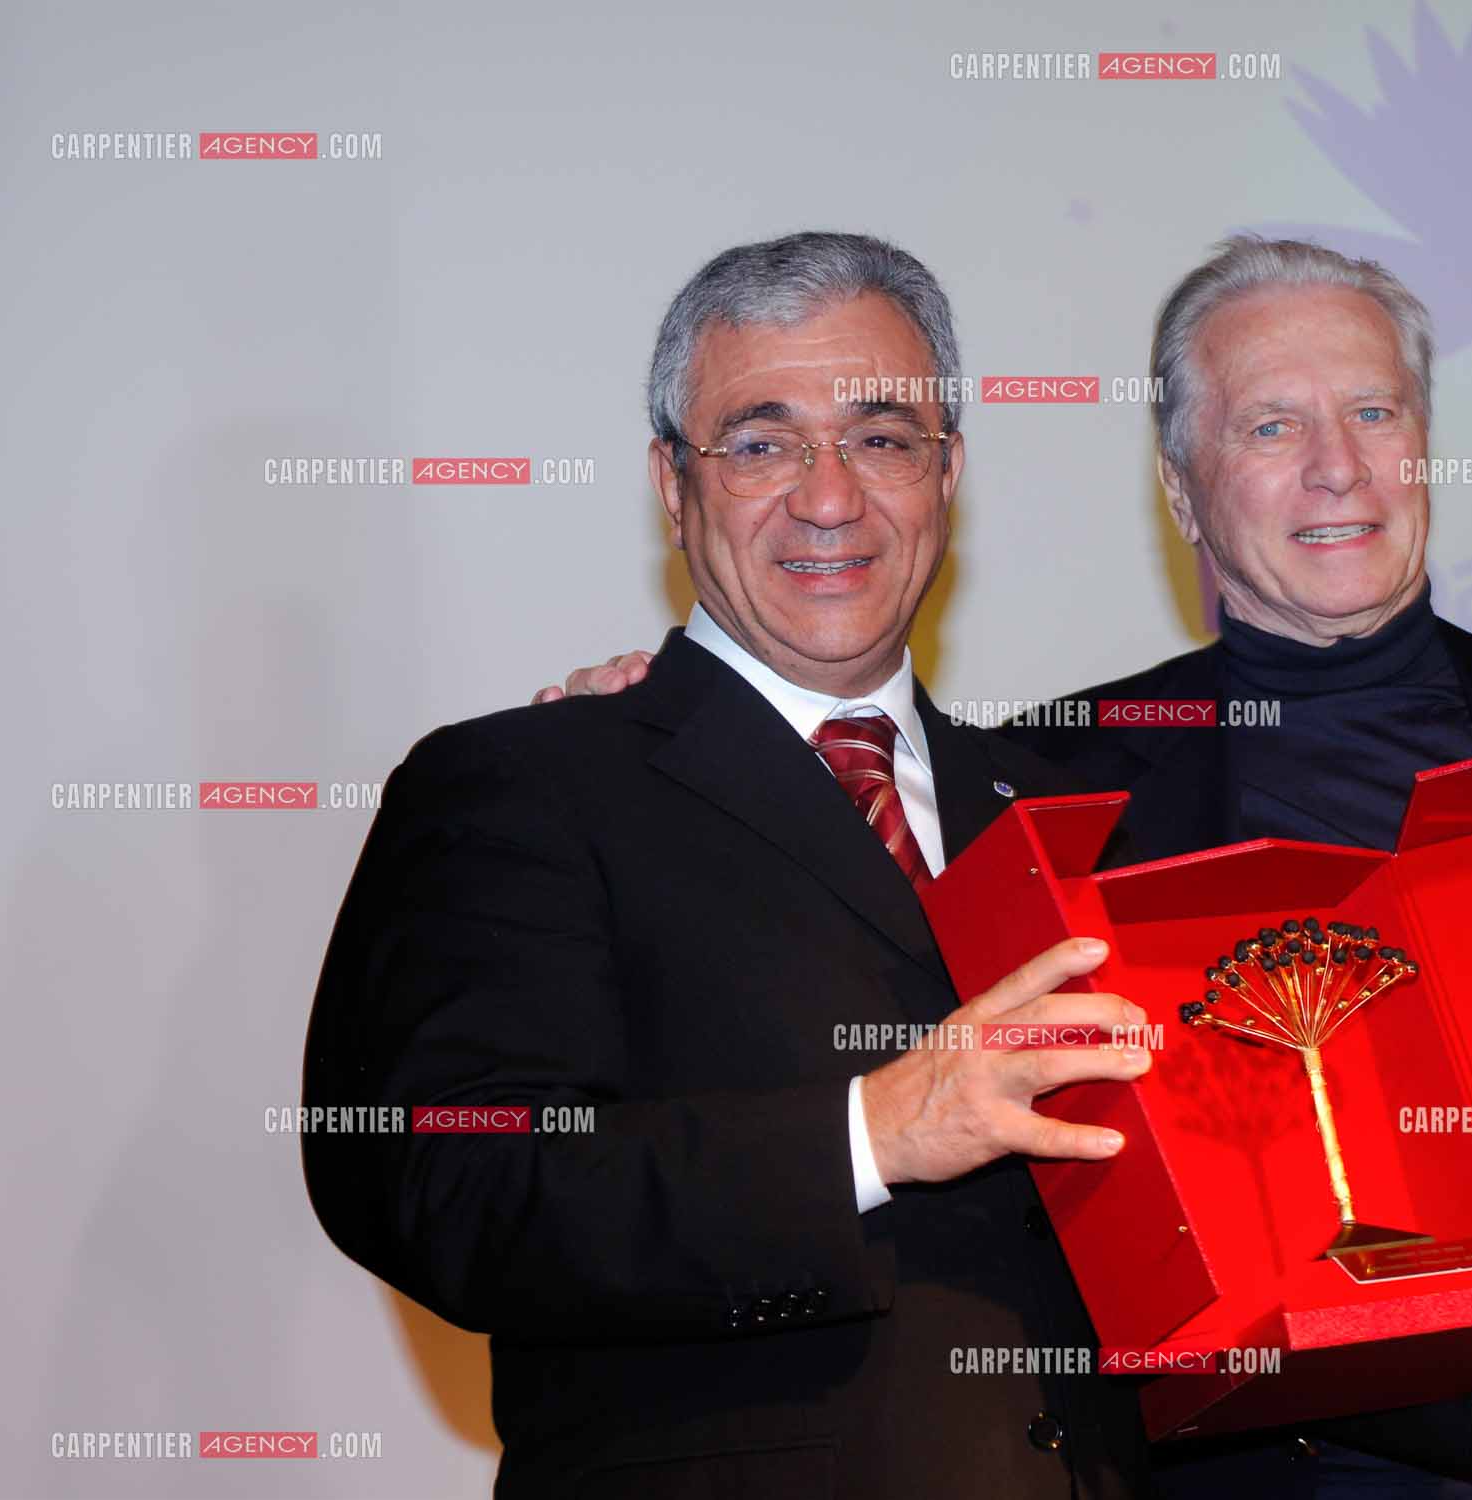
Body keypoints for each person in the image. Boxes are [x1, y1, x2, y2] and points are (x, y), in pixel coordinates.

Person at [544, 237, 1472, 1499]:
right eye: (1270, 426)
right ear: (1180, 486)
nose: (1334, 470)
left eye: (1373, 413)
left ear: (1423, 448)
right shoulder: (1052, 778)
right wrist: (655, 718)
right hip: (1206, 1471)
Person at [303, 232, 1161, 1499]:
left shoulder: (1063, 808)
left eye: (881, 438)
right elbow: (450, 1181)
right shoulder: (524, 784)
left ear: (947, 473)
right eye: (760, 444)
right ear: (672, 482)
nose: (828, 496)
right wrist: (867, 1132)